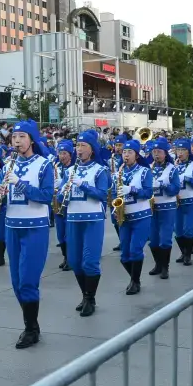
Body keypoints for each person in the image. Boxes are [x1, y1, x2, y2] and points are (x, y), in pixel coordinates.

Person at [0, 120, 54, 350]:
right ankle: (32, 324)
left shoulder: (43, 164)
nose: (17, 141)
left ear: (32, 140)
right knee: (16, 282)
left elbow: (46, 195)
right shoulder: (7, 165)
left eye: (22, 137)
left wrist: (19, 184)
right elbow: (4, 198)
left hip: (34, 226)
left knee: (28, 280)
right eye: (14, 137)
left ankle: (30, 329)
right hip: (12, 226)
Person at [59, 129, 110, 317]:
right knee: (74, 260)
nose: (79, 149)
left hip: (92, 219)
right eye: (77, 146)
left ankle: (90, 297)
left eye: (83, 146)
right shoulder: (69, 170)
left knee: (90, 261)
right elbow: (60, 194)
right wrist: (62, 192)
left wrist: (82, 185)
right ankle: (85, 294)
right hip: (73, 218)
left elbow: (102, 195)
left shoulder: (100, 170)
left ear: (92, 150)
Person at [111, 139, 153, 295]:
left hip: (141, 215)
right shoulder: (118, 173)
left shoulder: (144, 171)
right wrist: (115, 207)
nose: (126, 155)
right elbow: (114, 194)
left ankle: (135, 281)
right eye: (124, 152)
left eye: (129, 152)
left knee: (135, 250)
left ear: (137, 155)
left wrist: (132, 190)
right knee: (124, 256)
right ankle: (135, 278)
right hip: (124, 217)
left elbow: (148, 193)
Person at [148, 137, 180, 279]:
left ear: (165, 153)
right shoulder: (147, 168)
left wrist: (165, 185)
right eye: (154, 152)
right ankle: (158, 264)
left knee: (165, 238)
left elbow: (175, 189)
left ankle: (165, 267)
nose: (156, 154)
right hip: (152, 207)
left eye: (159, 152)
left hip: (167, 207)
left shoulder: (172, 169)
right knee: (153, 239)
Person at [173, 139, 193, 266]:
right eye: (178, 150)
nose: (180, 153)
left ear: (188, 152)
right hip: (176, 201)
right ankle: (183, 251)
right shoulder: (173, 166)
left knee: (188, 229)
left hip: (191, 200)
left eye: (183, 150)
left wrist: (187, 179)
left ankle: (188, 255)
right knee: (178, 229)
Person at [54, 141, 74, 271]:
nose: (61, 156)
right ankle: (65, 256)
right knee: (60, 233)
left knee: (69, 233)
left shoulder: (74, 168)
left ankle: (71, 259)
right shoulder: (56, 167)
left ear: (70, 155)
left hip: (70, 204)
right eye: (60, 153)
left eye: (64, 153)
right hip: (58, 203)